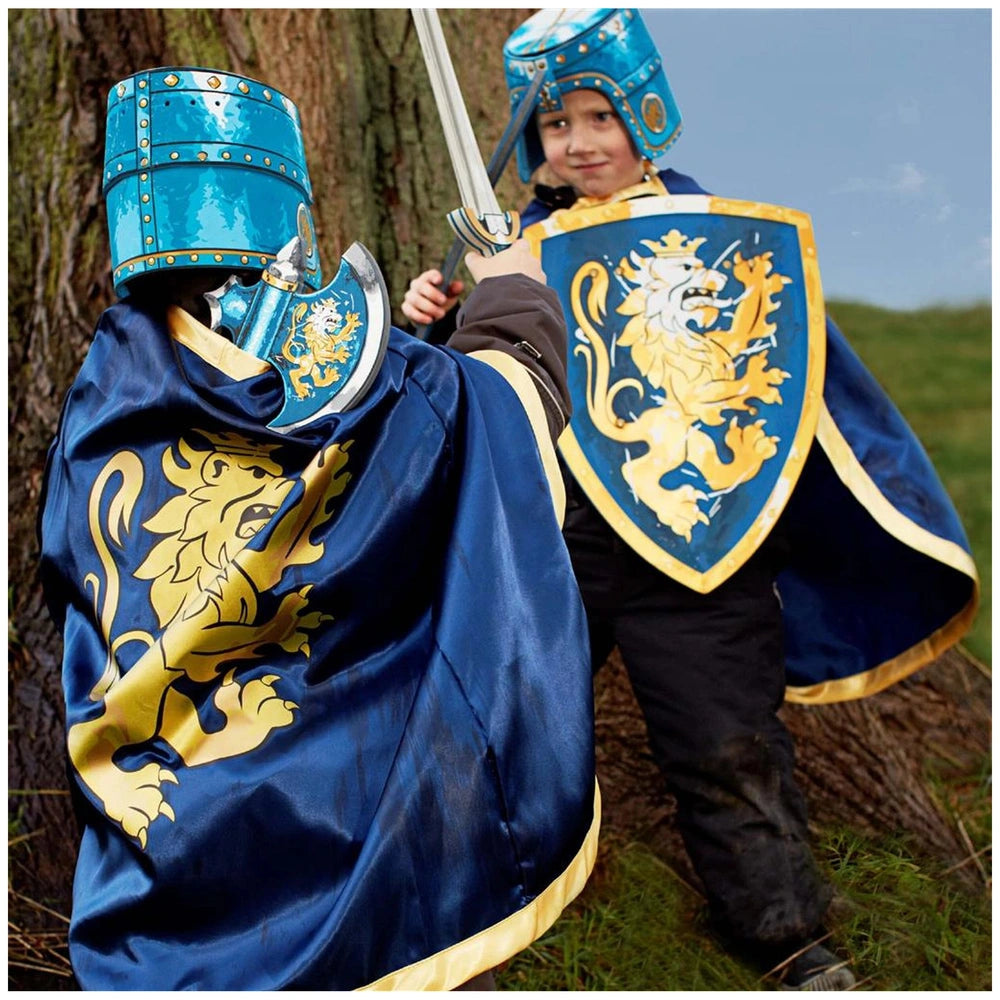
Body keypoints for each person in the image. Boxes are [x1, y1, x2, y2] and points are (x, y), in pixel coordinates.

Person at [402, 8, 978, 990]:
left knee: (729, 746)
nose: (577, 142)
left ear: (645, 114)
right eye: (553, 125)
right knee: (492, 730)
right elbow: (484, 399)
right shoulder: (510, 245)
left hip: (697, 544)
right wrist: (442, 320)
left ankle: (786, 934)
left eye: (597, 117)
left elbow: (776, 374)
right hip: (554, 545)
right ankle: (459, 933)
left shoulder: (717, 236)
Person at [39, 65, 600, 991]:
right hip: (338, 832)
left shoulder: (105, 389)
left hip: (153, 840)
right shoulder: (356, 385)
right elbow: (489, 416)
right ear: (284, 207)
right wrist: (514, 294)